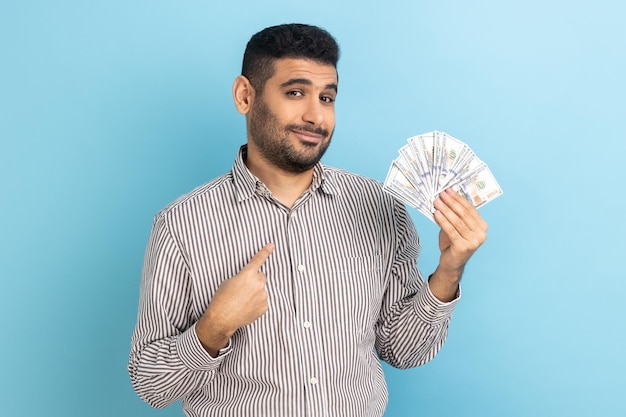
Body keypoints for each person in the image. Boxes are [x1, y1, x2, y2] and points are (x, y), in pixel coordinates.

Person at [128, 23, 488, 417]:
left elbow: (403, 350)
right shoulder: (181, 225)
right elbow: (151, 384)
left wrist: (448, 271)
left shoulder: (380, 207)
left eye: (327, 97)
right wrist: (214, 327)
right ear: (245, 95)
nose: (316, 116)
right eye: (295, 93)